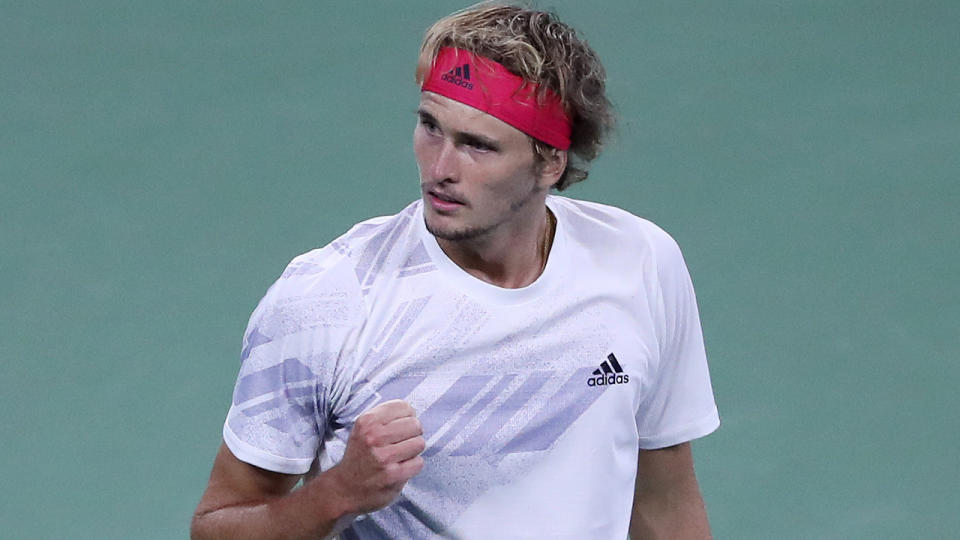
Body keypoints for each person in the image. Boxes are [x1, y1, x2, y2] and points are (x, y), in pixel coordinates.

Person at [191, 3, 719, 539]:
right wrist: (336, 494)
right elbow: (216, 528)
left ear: (550, 162)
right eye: (430, 127)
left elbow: (666, 501)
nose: (440, 169)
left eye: (478, 146)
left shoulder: (639, 262)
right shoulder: (327, 297)